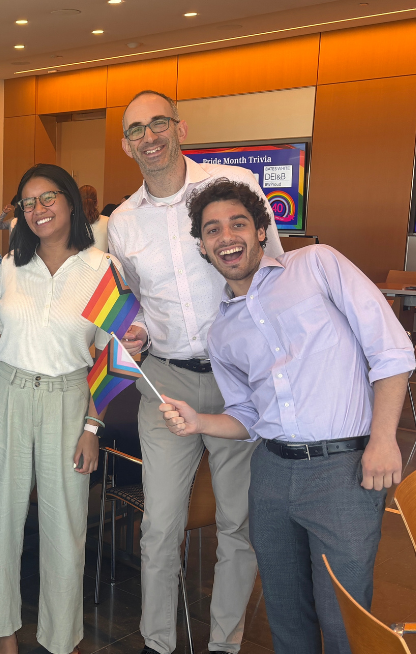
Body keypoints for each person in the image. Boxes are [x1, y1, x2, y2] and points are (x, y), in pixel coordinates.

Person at [160, 178, 415, 654]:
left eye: (238, 223)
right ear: (203, 246)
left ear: (261, 230)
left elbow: (392, 351)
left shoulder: (318, 265)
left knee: (343, 619)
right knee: (285, 615)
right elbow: (246, 415)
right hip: (272, 475)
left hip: (343, 471)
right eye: (213, 230)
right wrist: (199, 422)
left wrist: (383, 441)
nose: (226, 237)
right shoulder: (222, 331)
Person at [107, 90, 284, 654]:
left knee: (238, 522)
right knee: (160, 526)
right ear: (126, 145)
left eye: (158, 123)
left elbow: (273, 271)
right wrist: (133, 330)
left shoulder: (232, 188)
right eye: (136, 130)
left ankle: (225, 644)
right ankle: (158, 642)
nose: (149, 137)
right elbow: (131, 297)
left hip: (239, 380)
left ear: (178, 126)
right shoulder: (123, 222)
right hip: (166, 381)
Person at [0, 164, 112, 654]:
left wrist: (93, 425)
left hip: (69, 401)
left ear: (71, 201)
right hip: (7, 393)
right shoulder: (10, 264)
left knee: (65, 526)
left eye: (47, 197)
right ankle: (3, 631)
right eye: (27, 203)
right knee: (4, 520)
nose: (38, 210)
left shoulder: (102, 268)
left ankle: (61, 637)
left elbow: (113, 356)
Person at [78, 184, 107, 252]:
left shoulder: (70, 222)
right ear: (97, 202)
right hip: (102, 262)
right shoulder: (108, 221)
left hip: (77, 262)